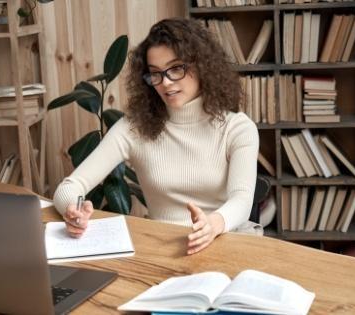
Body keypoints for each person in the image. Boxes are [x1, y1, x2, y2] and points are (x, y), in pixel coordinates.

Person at [54, 17, 259, 255]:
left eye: (176, 68)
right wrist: (73, 211)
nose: (166, 83)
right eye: (155, 74)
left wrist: (212, 225)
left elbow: (242, 201)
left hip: (225, 242)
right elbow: (70, 187)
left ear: (202, 65)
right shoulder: (134, 128)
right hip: (161, 248)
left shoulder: (237, 128)